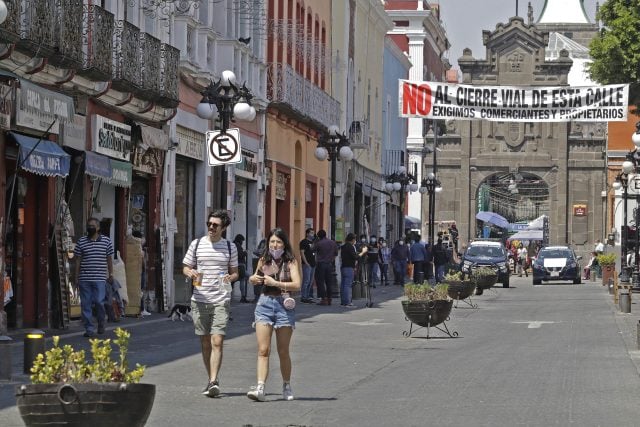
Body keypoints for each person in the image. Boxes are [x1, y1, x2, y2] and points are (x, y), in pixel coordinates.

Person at [182, 210, 239, 398]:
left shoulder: (230, 247)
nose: (211, 227)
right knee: (205, 342)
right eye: (209, 224)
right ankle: (211, 379)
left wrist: (231, 277)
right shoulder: (196, 244)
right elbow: (185, 266)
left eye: (215, 225)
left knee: (217, 340)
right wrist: (189, 272)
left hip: (221, 299)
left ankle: (214, 381)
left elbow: (235, 272)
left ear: (223, 228)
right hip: (199, 299)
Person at [247, 228, 301, 402]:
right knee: (263, 350)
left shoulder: (291, 261)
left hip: (284, 306)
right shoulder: (264, 259)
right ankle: (260, 387)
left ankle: (286, 384)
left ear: (284, 244)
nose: (274, 245)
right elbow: (256, 276)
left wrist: (276, 283)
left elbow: (297, 284)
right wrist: (253, 279)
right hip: (264, 304)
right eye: (272, 242)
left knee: (283, 350)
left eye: (278, 242)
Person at [74, 217, 114, 338]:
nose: (90, 228)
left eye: (92, 226)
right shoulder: (81, 241)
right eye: (88, 226)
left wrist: (111, 274)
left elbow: (109, 259)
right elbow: (78, 260)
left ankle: (101, 321)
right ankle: (89, 328)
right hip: (84, 278)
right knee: (85, 304)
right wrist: (75, 276)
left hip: (100, 278)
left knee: (99, 302)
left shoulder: (107, 242)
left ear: (98, 228)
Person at [340, 233, 368, 307]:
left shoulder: (344, 246)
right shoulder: (350, 247)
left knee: (343, 285)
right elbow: (355, 257)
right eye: (355, 239)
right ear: (352, 240)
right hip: (349, 267)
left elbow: (351, 254)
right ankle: (347, 302)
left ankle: (343, 301)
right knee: (347, 285)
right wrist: (363, 252)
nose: (355, 241)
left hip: (344, 267)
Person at [313, 229, 338, 306]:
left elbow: (312, 249)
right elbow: (336, 253)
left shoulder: (319, 243)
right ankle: (329, 298)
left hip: (321, 264)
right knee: (328, 282)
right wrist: (331, 259)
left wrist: (315, 241)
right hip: (329, 264)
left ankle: (323, 299)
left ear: (319, 236)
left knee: (320, 282)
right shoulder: (333, 242)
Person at [299, 228, 316, 303]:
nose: (313, 234)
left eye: (313, 233)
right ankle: (303, 297)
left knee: (311, 281)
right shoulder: (303, 242)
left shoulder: (313, 242)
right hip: (307, 264)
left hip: (313, 264)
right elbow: (302, 253)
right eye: (311, 233)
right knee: (306, 280)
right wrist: (306, 262)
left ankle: (308, 296)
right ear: (307, 234)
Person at [233, 234, 249, 303]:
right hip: (240, 266)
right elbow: (240, 255)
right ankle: (243, 297)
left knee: (242, 279)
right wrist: (245, 252)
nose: (242, 242)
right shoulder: (237, 245)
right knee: (245, 278)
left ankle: (243, 297)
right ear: (239, 240)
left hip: (236, 266)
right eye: (242, 240)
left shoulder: (234, 245)